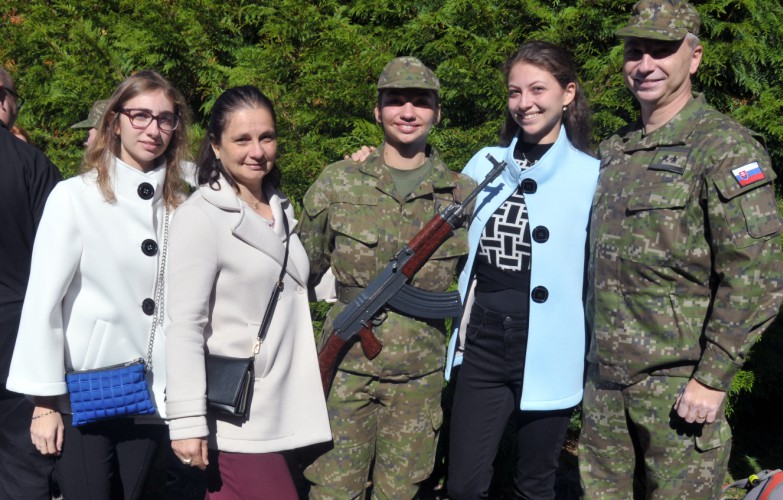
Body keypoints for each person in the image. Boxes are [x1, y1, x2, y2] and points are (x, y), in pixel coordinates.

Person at [579, 1, 783, 498]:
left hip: (678, 390)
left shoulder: (723, 148)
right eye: (635, 51)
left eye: (661, 51)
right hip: (604, 386)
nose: (645, 64)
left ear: (693, 58)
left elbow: (756, 277)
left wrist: (713, 378)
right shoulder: (615, 150)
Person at [6, 69, 190, 500]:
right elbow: (43, 302)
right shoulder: (74, 197)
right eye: (140, 115)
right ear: (115, 120)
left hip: (151, 393)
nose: (153, 128)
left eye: (166, 118)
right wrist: (44, 403)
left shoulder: (185, 202)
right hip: (84, 396)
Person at [299, 56, 477, 499]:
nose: (408, 111)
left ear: (436, 113)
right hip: (344, 372)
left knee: (402, 492)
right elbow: (299, 271)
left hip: (418, 380)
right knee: (332, 490)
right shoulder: (337, 183)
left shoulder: (462, 193)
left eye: (420, 101)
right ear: (377, 112)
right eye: (395, 101)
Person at [443, 41, 599, 500]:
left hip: (552, 343)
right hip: (484, 339)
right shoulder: (485, 162)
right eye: (514, 92)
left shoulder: (594, 174)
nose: (524, 103)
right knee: (463, 485)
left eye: (537, 89)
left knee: (536, 483)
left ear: (568, 93)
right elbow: (433, 223)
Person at [165, 85, 331, 499]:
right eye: (242, 139)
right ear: (216, 147)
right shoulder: (200, 218)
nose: (257, 150)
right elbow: (184, 325)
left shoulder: (281, 208)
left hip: (289, 406)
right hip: (238, 415)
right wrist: (186, 422)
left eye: (266, 137)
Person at [0, 68, 62, 500]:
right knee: (23, 466)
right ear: (3, 100)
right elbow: (58, 264)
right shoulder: (34, 165)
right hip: (17, 336)